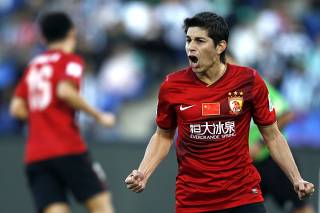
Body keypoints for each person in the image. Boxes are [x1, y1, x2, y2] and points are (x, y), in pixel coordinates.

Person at [124, 11, 314, 213]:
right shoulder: (172, 86)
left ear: (220, 46)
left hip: (242, 196)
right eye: (188, 40)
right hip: (194, 200)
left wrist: (296, 179)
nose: (191, 47)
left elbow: (273, 135)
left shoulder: (249, 80)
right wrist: (143, 172)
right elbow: (162, 136)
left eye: (199, 41)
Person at [10, 12, 115, 213]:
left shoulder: (34, 65)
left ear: (43, 38)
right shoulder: (70, 60)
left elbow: (17, 108)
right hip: (67, 147)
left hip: (36, 155)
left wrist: (42, 115)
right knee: (102, 205)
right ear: (72, 33)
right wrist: (99, 115)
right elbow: (64, 91)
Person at [249, 83, 315, 213]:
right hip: (247, 166)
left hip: (272, 159)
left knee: (298, 207)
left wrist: (260, 143)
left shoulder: (252, 84)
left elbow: (286, 114)